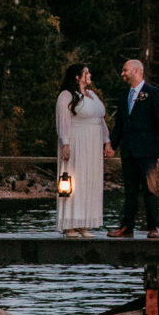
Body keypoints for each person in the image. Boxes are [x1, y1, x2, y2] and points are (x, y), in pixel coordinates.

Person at [110, 56, 159, 238]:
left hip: (147, 150)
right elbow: (120, 124)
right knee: (129, 190)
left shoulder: (152, 93)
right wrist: (112, 145)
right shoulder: (124, 96)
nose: (122, 74)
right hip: (128, 149)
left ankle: (154, 226)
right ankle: (126, 226)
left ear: (137, 71)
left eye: (125, 70)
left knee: (150, 189)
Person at [54, 65, 106, 234]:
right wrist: (65, 143)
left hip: (93, 144)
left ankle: (83, 223)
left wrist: (107, 141)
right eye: (86, 72)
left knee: (89, 182)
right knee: (73, 181)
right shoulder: (67, 95)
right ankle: (69, 224)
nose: (89, 75)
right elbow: (63, 120)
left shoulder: (92, 95)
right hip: (77, 141)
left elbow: (100, 119)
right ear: (77, 77)